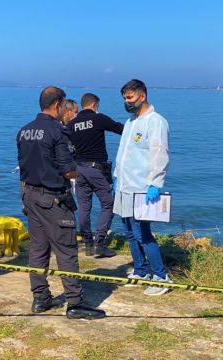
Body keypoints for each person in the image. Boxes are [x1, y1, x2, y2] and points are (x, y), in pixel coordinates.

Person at [17, 86, 106, 320]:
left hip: (30, 196)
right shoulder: (57, 131)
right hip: (53, 198)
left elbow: (23, 169)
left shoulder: (24, 131)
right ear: (57, 105)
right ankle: (75, 302)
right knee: (66, 250)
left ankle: (40, 298)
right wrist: (83, 171)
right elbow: (68, 171)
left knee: (38, 249)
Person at [113, 79, 172, 296]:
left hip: (142, 188)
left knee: (142, 234)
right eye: (125, 98)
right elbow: (124, 153)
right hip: (124, 186)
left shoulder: (155, 122)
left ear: (142, 96)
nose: (127, 102)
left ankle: (161, 276)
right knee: (129, 232)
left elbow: (159, 154)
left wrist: (155, 183)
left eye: (130, 98)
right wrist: (117, 177)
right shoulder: (130, 122)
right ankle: (140, 270)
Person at [68, 93, 124, 257]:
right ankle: (100, 242)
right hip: (96, 170)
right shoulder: (99, 119)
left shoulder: (72, 124)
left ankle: (88, 243)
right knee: (108, 204)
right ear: (94, 105)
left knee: (84, 207)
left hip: (79, 170)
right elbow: (121, 129)